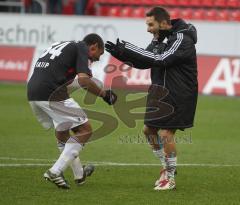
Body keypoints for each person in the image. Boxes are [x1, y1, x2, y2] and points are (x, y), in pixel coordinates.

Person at [105, 7, 198, 191]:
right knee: (148, 131)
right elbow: (144, 61)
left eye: (151, 24)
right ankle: (166, 166)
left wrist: (129, 48)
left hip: (178, 92)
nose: (148, 29)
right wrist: (121, 54)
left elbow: (162, 58)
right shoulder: (159, 37)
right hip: (159, 91)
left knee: (165, 134)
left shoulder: (182, 38)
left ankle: (169, 177)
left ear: (163, 23)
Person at [27, 33, 117, 189]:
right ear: (93, 46)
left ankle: (79, 175)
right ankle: (55, 171)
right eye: (99, 54)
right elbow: (83, 80)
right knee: (85, 130)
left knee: (62, 132)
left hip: (33, 92)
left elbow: (59, 75)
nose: (98, 59)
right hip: (51, 92)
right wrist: (104, 94)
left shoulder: (63, 46)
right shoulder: (82, 47)